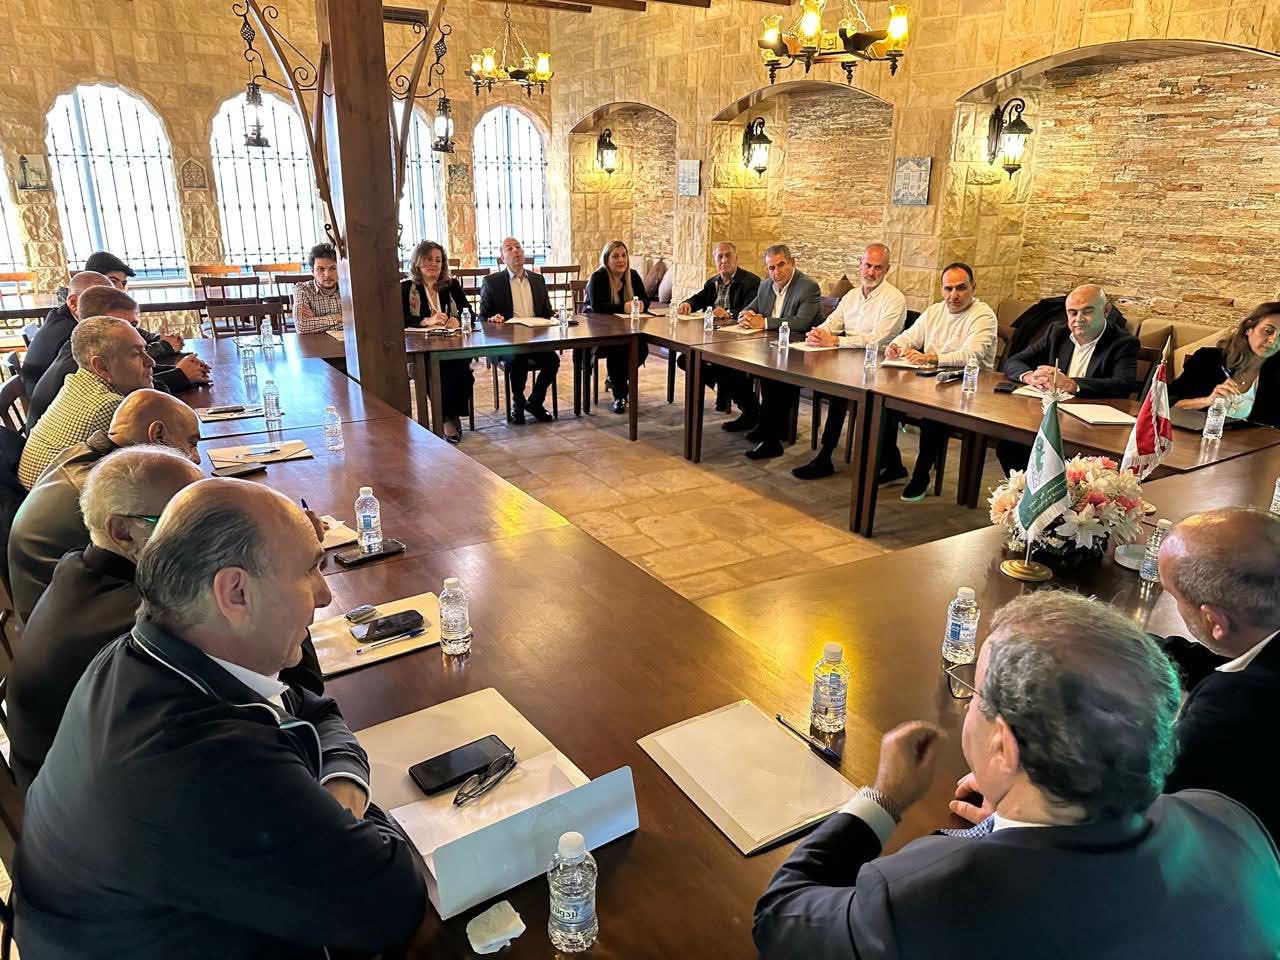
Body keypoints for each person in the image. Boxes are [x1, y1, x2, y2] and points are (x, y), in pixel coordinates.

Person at [13, 479, 427, 958]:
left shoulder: (141, 653)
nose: (324, 595)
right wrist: (341, 819)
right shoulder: (202, 760)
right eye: (310, 570)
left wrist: (341, 784)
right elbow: (390, 902)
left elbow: (312, 706)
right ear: (235, 592)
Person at [755, 592, 1280, 959]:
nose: (970, 707)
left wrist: (884, 798)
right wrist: (1020, 805)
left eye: (975, 694)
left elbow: (780, 917)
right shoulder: (1230, 819)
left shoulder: (926, 897)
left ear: (1003, 746)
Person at [5, 446, 204, 791]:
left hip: (70, 780)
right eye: (187, 522)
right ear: (123, 532)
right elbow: (270, 693)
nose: (210, 535)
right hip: (88, 807)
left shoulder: (76, 565)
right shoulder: (145, 622)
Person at [7, 388, 201, 624]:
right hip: (78, 621)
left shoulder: (89, 456)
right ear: (157, 435)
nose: (196, 458)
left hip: (61, 600)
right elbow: (175, 562)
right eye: (192, 444)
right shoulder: (106, 494)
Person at [1157, 507, 1280, 840]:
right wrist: (1132, 643)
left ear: (1214, 621)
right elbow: (1231, 660)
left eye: (1174, 596)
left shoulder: (1233, 709)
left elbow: (1147, 788)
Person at [996, 283, 1140, 474]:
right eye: (1072, 313)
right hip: (1055, 417)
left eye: (1087, 311)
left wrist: (1072, 384)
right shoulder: (1057, 332)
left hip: (1093, 427)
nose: (1078, 319)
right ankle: (1029, 492)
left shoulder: (1123, 342)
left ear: (1106, 311)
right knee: (1009, 447)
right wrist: (1030, 377)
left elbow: (1123, 384)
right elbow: (1014, 361)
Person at [883, 262, 997, 502]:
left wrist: (931, 357)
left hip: (970, 387)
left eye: (961, 288)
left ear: (973, 288)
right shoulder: (935, 311)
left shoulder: (983, 315)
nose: (953, 295)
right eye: (948, 289)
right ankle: (892, 464)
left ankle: (922, 474)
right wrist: (896, 346)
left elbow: (972, 355)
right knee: (883, 401)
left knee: (934, 413)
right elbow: (910, 336)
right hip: (931, 380)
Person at [793, 243, 907, 480]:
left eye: (878, 267)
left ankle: (827, 456)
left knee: (841, 391)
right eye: (867, 265)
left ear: (887, 270)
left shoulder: (894, 299)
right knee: (837, 385)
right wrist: (818, 333)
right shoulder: (851, 296)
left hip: (880, 369)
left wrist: (836, 341)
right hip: (848, 362)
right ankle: (829, 456)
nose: (871, 272)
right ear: (860, 265)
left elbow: (878, 339)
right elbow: (832, 323)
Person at [26, 286, 209, 430]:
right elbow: (141, 407)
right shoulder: (99, 394)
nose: (133, 331)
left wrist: (178, 372)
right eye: (123, 324)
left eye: (134, 325)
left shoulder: (83, 350)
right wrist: (179, 375)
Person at [17, 316, 155, 489]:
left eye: (145, 350)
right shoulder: (108, 405)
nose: (151, 361)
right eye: (135, 354)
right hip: (58, 501)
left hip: (33, 492)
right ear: (101, 366)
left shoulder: (77, 381)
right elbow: (147, 469)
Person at [730, 245, 822, 460]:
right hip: (770, 348)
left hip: (802, 353)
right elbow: (750, 308)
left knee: (773, 377)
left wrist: (763, 323)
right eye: (771, 268)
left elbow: (801, 323)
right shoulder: (765, 286)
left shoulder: (808, 287)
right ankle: (759, 420)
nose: (776, 272)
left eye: (781, 265)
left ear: (792, 262)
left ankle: (771, 440)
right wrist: (745, 315)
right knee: (732, 366)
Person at [478, 236, 559, 424]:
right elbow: (482, 318)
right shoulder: (492, 282)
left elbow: (546, 312)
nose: (515, 251)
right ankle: (518, 403)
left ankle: (535, 402)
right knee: (518, 357)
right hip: (505, 342)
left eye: (518, 247)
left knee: (553, 360)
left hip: (535, 340)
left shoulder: (538, 280)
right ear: (502, 258)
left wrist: (556, 317)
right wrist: (492, 319)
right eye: (509, 248)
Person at [675, 241, 761, 414]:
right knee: (685, 359)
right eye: (719, 257)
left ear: (736, 258)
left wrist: (729, 313)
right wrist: (688, 303)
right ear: (715, 260)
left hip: (739, 340)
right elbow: (699, 298)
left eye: (728, 255)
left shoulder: (751, 281)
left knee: (723, 365)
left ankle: (743, 404)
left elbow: (753, 308)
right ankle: (724, 388)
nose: (724, 260)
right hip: (713, 339)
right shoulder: (713, 282)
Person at [401, 239, 474, 442]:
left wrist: (457, 319)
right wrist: (426, 320)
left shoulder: (451, 286)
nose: (433, 264)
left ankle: (451, 415)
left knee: (463, 372)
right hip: (421, 349)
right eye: (428, 259)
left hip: (451, 345)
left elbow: (470, 312)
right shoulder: (407, 288)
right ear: (417, 261)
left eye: (438, 260)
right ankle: (447, 420)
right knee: (437, 372)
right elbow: (400, 318)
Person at [1168, 302, 1280, 426]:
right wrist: (1207, 401)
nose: (1273, 340)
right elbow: (1167, 402)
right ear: (1249, 328)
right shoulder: (1208, 359)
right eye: (1268, 331)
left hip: (1253, 439)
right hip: (1196, 436)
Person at [20, 269, 112, 397]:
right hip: (50, 404)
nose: (111, 308)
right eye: (101, 301)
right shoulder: (72, 334)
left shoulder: (59, 317)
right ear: (73, 303)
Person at [584, 239, 649, 414]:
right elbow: (598, 306)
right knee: (618, 348)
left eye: (623, 255)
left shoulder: (632, 275)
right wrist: (623, 307)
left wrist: (641, 305)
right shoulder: (598, 277)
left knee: (641, 347)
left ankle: (615, 379)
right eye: (615, 256)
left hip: (626, 328)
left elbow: (646, 299)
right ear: (607, 260)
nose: (621, 260)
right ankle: (620, 395)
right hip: (598, 331)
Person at [292, 241, 344, 334]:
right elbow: (301, 326)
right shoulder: (302, 289)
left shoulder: (348, 288)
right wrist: (337, 318)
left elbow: (357, 322)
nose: (327, 274)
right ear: (313, 271)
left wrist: (315, 322)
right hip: (315, 342)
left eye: (333, 268)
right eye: (321, 269)